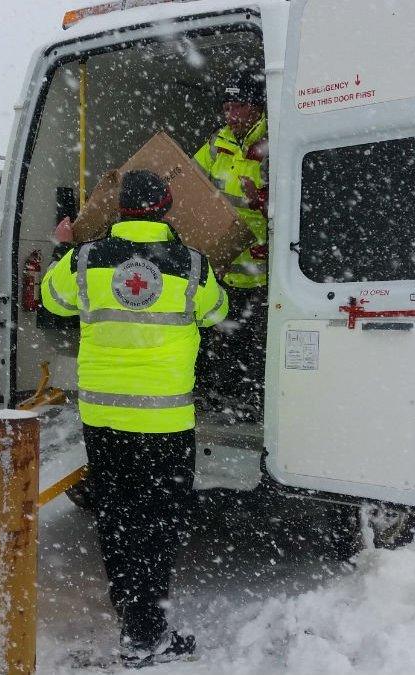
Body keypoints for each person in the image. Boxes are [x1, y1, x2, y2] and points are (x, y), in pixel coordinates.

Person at [41, 169, 228, 667]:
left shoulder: (84, 261)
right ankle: (147, 636)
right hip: (164, 421)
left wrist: (63, 246)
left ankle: (133, 616)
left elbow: (51, 300)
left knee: (118, 519)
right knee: (158, 525)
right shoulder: (192, 266)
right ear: (167, 208)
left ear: (120, 208)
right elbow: (216, 313)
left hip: (104, 417)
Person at [193, 69, 269, 415]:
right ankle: (218, 396)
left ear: (255, 108)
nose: (230, 116)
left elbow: (304, 199)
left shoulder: (274, 139)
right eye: (226, 108)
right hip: (222, 266)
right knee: (217, 336)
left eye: (237, 108)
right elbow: (189, 181)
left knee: (254, 344)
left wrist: (263, 200)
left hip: (262, 271)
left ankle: (249, 401)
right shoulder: (216, 143)